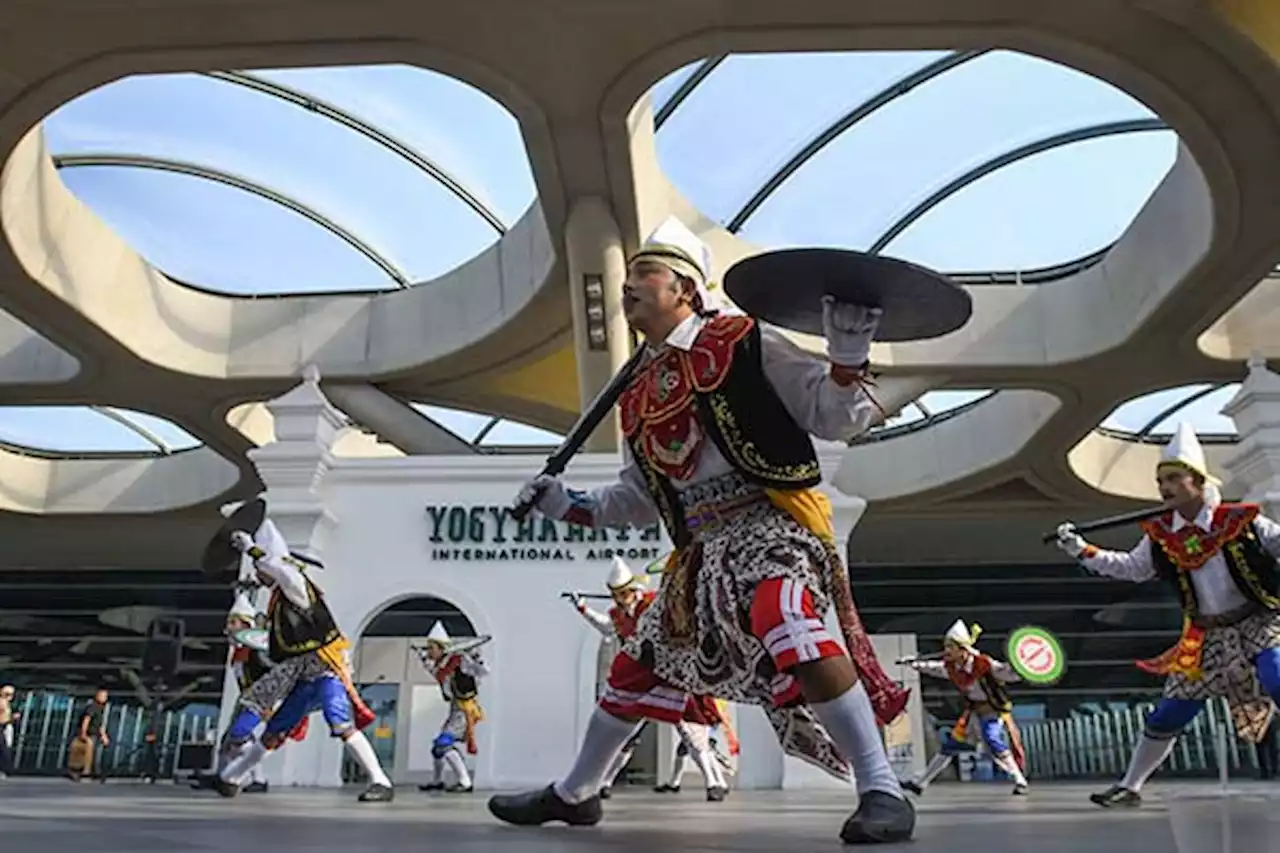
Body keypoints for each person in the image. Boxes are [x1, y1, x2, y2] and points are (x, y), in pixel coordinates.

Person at [489, 217, 914, 844]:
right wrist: (566, 504)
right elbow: (637, 500)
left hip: (772, 525)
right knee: (640, 664)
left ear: (685, 287)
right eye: (628, 275)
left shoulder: (743, 342)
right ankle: (577, 794)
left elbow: (831, 415)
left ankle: (882, 787)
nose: (627, 285)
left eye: (643, 273)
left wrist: (846, 359)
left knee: (786, 615)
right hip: (700, 553)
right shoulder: (634, 393)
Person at [1054, 422, 1280, 807]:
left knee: (1277, 675)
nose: (1165, 488)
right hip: (1206, 636)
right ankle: (1130, 786)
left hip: (1257, 621)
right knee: (1170, 713)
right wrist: (1082, 550)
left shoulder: (1239, 521)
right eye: (1162, 481)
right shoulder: (1160, 534)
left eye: (1174, 478)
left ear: (1196, 481)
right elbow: (1132, 568)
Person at [214, 499, 394, 802]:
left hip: (325, 667)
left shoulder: (298, 586)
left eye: (261, 568)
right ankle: (232, 776)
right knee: (274, 724)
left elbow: (282, 571)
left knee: (340, 721)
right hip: (300, 670)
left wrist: (251, 549)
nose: (258, 574)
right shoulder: (276, 600)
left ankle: (380, 780)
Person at [569, 556, 730, 801]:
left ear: (634, 590)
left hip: (671, 675)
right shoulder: (619, 615)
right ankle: (603, 783)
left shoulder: (654, 605)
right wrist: (582, 609)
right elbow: (607, 628)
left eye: (624, 594)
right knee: (625, 732)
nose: (620, 600)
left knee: (690, 732)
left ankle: (714, 783)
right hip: (641, 679)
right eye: (617, 595)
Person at [900, 620, 1028, 796]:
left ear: (962, 649)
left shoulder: (983, 664)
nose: (947, 650)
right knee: (949, 747)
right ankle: (920, 784)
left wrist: (1021, 667)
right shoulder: (952, 667)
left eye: (951, 647)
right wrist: (913, 664)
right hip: (973, 713)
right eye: (946, 646)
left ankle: (1019, 780)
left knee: (992, 739)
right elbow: (935, 668)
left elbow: (1006, 673)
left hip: (992, 710)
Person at [416, 621, 488, 794]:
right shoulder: (442, 665)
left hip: (465, 709)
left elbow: (483, 672)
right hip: (455, 708)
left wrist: (475, 658)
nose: (429, 651)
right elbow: (435, 672)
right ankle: (437, 781)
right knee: (437, 749)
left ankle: (465, 782)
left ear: (441, 648)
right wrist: (423, 657)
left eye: (431, 647)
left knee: (443, 744)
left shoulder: (459, 660)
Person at [69, 688, 110, 782]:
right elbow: (86, 720)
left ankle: (91, 772)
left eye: (106, 696)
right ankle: (85, 773)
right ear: (97, 696)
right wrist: (83, 734)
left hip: (94, 734)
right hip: (89, 734)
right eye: (103, 696)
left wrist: (103, 736)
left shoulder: (100, 709)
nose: (105, 698)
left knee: (91, 754)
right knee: (86, 754)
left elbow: (99, 724)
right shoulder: (92, 707)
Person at [0, 684, 16, 778]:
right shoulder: (2, 703)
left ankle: (4, 769)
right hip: (2, 726)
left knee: (4, 749)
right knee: (3, 749)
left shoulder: (6, 703)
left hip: (5, 726)